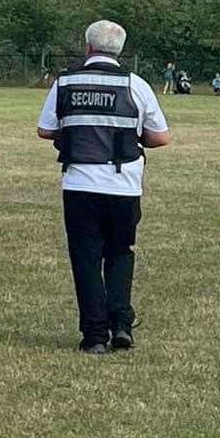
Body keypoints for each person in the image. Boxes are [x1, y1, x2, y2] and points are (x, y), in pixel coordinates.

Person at [36, 20, 171, 354]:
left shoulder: (66, 81)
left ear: (87, 47)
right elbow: (160, 137)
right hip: (124, 185)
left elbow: (45, 130)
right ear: (120, 50)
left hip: (80, 183)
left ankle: (94, 336)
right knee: (120, 254)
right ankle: (121, 324)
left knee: (86, 258)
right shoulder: (135, 84)